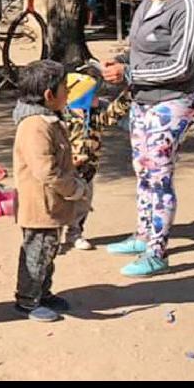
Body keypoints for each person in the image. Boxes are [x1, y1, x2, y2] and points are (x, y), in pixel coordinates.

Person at [100, 0, 194, 277]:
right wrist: (121, 62)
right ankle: (143, 233)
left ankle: (157, 250)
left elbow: (182, 65)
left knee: (159, 172)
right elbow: (140, 48)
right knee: (142, 168)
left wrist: (130, 74)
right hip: (143, 99)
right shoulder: (151, 1)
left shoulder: (190, 6)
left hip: (173, 101)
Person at [12, 59, 87, 322]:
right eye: (65, 88)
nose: (68, 92)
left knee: (48, 251)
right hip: (40, 205)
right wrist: (74, 189)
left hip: (51, 204)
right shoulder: (35, 126)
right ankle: (28, 300)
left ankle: (42, 292)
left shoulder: (48, 120)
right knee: (38, 252)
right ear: (48, 95)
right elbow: (46, 170)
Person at [62, 70, 132, 252]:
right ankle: (52, 237)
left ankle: (74, 233)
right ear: (80, 96)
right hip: (66, 169)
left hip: (88, 169)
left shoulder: (94, 115)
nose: (96, 97)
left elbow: (112, 114)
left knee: (83, 202)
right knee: (60, 203)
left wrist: (129, 94)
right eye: (91, 94)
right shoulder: (62, 118)